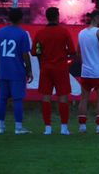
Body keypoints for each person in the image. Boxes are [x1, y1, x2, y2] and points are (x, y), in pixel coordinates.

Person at [32, 7, 76, 135]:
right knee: (63, 97)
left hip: (46, 68)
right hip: (61, 68)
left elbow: (35, 51)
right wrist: (63, 53)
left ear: (47, 17)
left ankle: (48, 128)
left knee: (46, 97)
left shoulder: (40, 33)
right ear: (57, 17)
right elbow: (72, 51)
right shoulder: (64, 32)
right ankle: (64, 128)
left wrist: (44, 54)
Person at [0, 8, 33, 135]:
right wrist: (29, 70)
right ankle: (18, 127)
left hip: (3, 70)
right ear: (21, 19)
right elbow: (25, 54)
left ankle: (1, 127)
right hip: (17, 71)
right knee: (18, 99)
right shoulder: (22, 34)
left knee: (2, 99)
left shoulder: (1, 32)